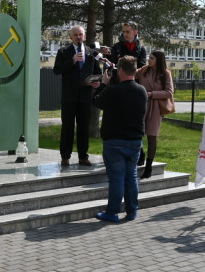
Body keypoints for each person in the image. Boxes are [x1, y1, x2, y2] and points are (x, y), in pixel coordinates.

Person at [91, 56, 148, 222]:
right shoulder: (142, 91)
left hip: (114, 141)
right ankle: (132, 211)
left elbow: (95, 101)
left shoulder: (112, 90)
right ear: (135, 70)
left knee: (117, 177)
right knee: (131, 177)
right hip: (135, 141)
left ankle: (112, 212)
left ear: (120, 71)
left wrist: (103, 84)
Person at [53, 25, 101, 167]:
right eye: (75, 34)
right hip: (69, 97)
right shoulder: (63, 52)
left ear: (85, 36)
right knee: (67, 127)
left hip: (85, 97)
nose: (78, 37)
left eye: (80, 34)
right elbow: (57, 70)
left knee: (83, 127)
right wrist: (72, 60)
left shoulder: (91, 53)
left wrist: (96, 83)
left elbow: (97, 72)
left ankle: (83, 156)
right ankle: (65, 157)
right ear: (71, 37)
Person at [135, 50, 175, 179]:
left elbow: (169, 92)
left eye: (151, 58)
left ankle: (149, 166)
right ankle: (140, 154)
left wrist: (152, 94)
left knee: (152, 136)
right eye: (149, 57)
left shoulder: (165, 73)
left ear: (158, 59)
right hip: (141, 105)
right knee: (137, 132)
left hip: (156, 108)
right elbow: (130, 74)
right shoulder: (144, 70)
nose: (149, 60)